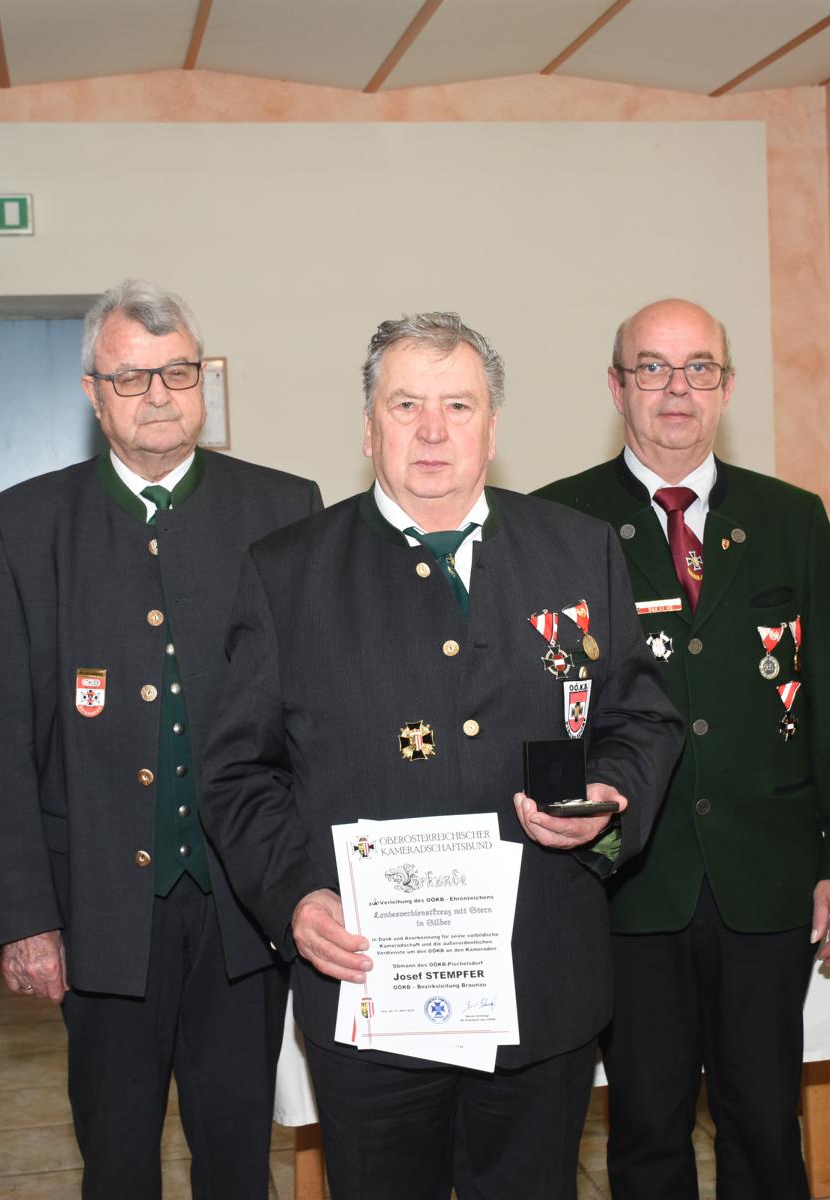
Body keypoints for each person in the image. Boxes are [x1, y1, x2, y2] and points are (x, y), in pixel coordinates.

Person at [199, 312, 683, 1199]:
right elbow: (238, 772)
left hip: (542, 985)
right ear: (368, 426)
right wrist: (294, 896)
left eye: (458, 406)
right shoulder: (287, 571)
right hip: (371, 994)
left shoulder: (577, 550)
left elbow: (641, 718)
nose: (432, 430)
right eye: (406, 405)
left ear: (492, 427)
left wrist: (613, 793)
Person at [0, 280, 321, 1197]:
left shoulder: (285, 508)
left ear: (204, 381)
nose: (158, 395)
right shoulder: (24, 525)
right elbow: (2, 740)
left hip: (246, 903)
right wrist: (25, 919)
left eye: (178, 372)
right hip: (99, 910)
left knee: (237, 1158)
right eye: (131, 377)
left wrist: (310, 881)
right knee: (117, 1158)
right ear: (94, 394)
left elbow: (309, 722)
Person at [535, 298, 830, 1197]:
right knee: (646, 1124)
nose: (676, 389)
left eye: (698, 368)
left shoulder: (789, 517)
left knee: (765, 1121)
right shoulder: (556, 519)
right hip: (627, 880)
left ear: (727, 386)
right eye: (651, 367)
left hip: (766, 876)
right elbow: (543, 703)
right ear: (617, 387)